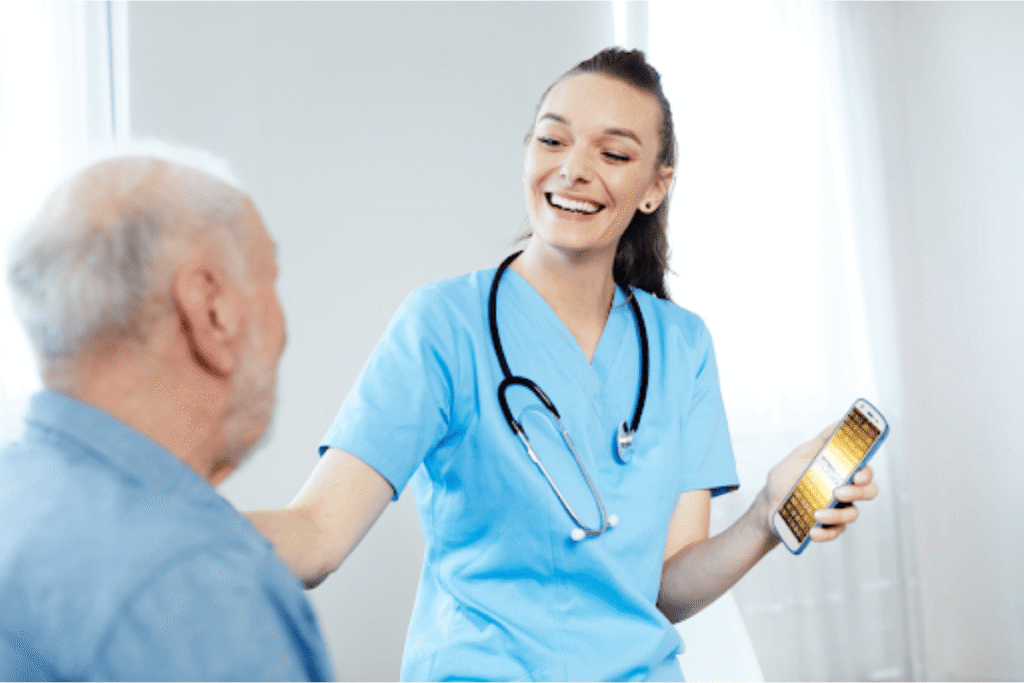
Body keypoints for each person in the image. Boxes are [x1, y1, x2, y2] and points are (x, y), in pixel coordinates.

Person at [248, 48, 878, 681]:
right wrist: (194, 536)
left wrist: (766, 516)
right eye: (553, 140)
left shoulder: (682, 345)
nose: (574, 169)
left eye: (614, 154)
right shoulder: (443, 325)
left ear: (655, 187)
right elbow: (317, 535)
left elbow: (664, 588)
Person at [0, 150, 334, 681]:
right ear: (211, 311)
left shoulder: (17, 497)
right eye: (270, 278)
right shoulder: (195, 587)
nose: (284, 329)